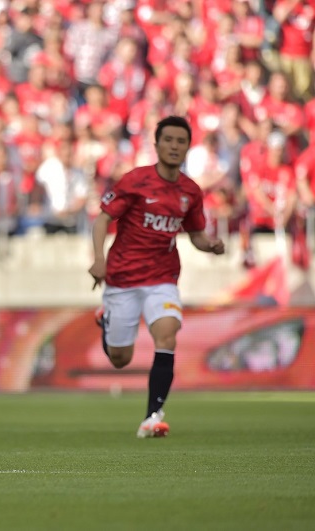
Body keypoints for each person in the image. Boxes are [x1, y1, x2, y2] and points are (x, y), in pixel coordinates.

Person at [88, 116, 225, 439]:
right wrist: (98, 259)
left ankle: (153, 416)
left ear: (187, 147)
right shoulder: (135, 181)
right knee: (121, 359)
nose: (174, 146)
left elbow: (196, 235)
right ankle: (107, 322)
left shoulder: (190, 191)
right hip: (122, 279)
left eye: (181, 141)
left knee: (167, 335)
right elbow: (102, 220)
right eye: (169, 140)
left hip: (162, 277)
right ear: (157, 144)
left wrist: (211, 246)